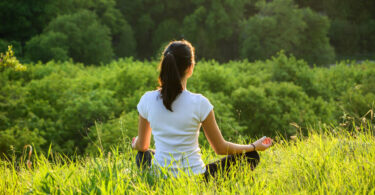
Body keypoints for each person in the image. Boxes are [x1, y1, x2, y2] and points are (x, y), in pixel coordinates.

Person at [131, 40, 272, 180]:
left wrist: (135, 142)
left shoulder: (147, 99)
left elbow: (142, 146)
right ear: (190, 68)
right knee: (251, 156)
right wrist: (253, 146)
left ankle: (150, 181)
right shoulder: (199, 102)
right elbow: (220, 148)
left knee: (142, 155)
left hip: (161, 178)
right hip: (197, 179)